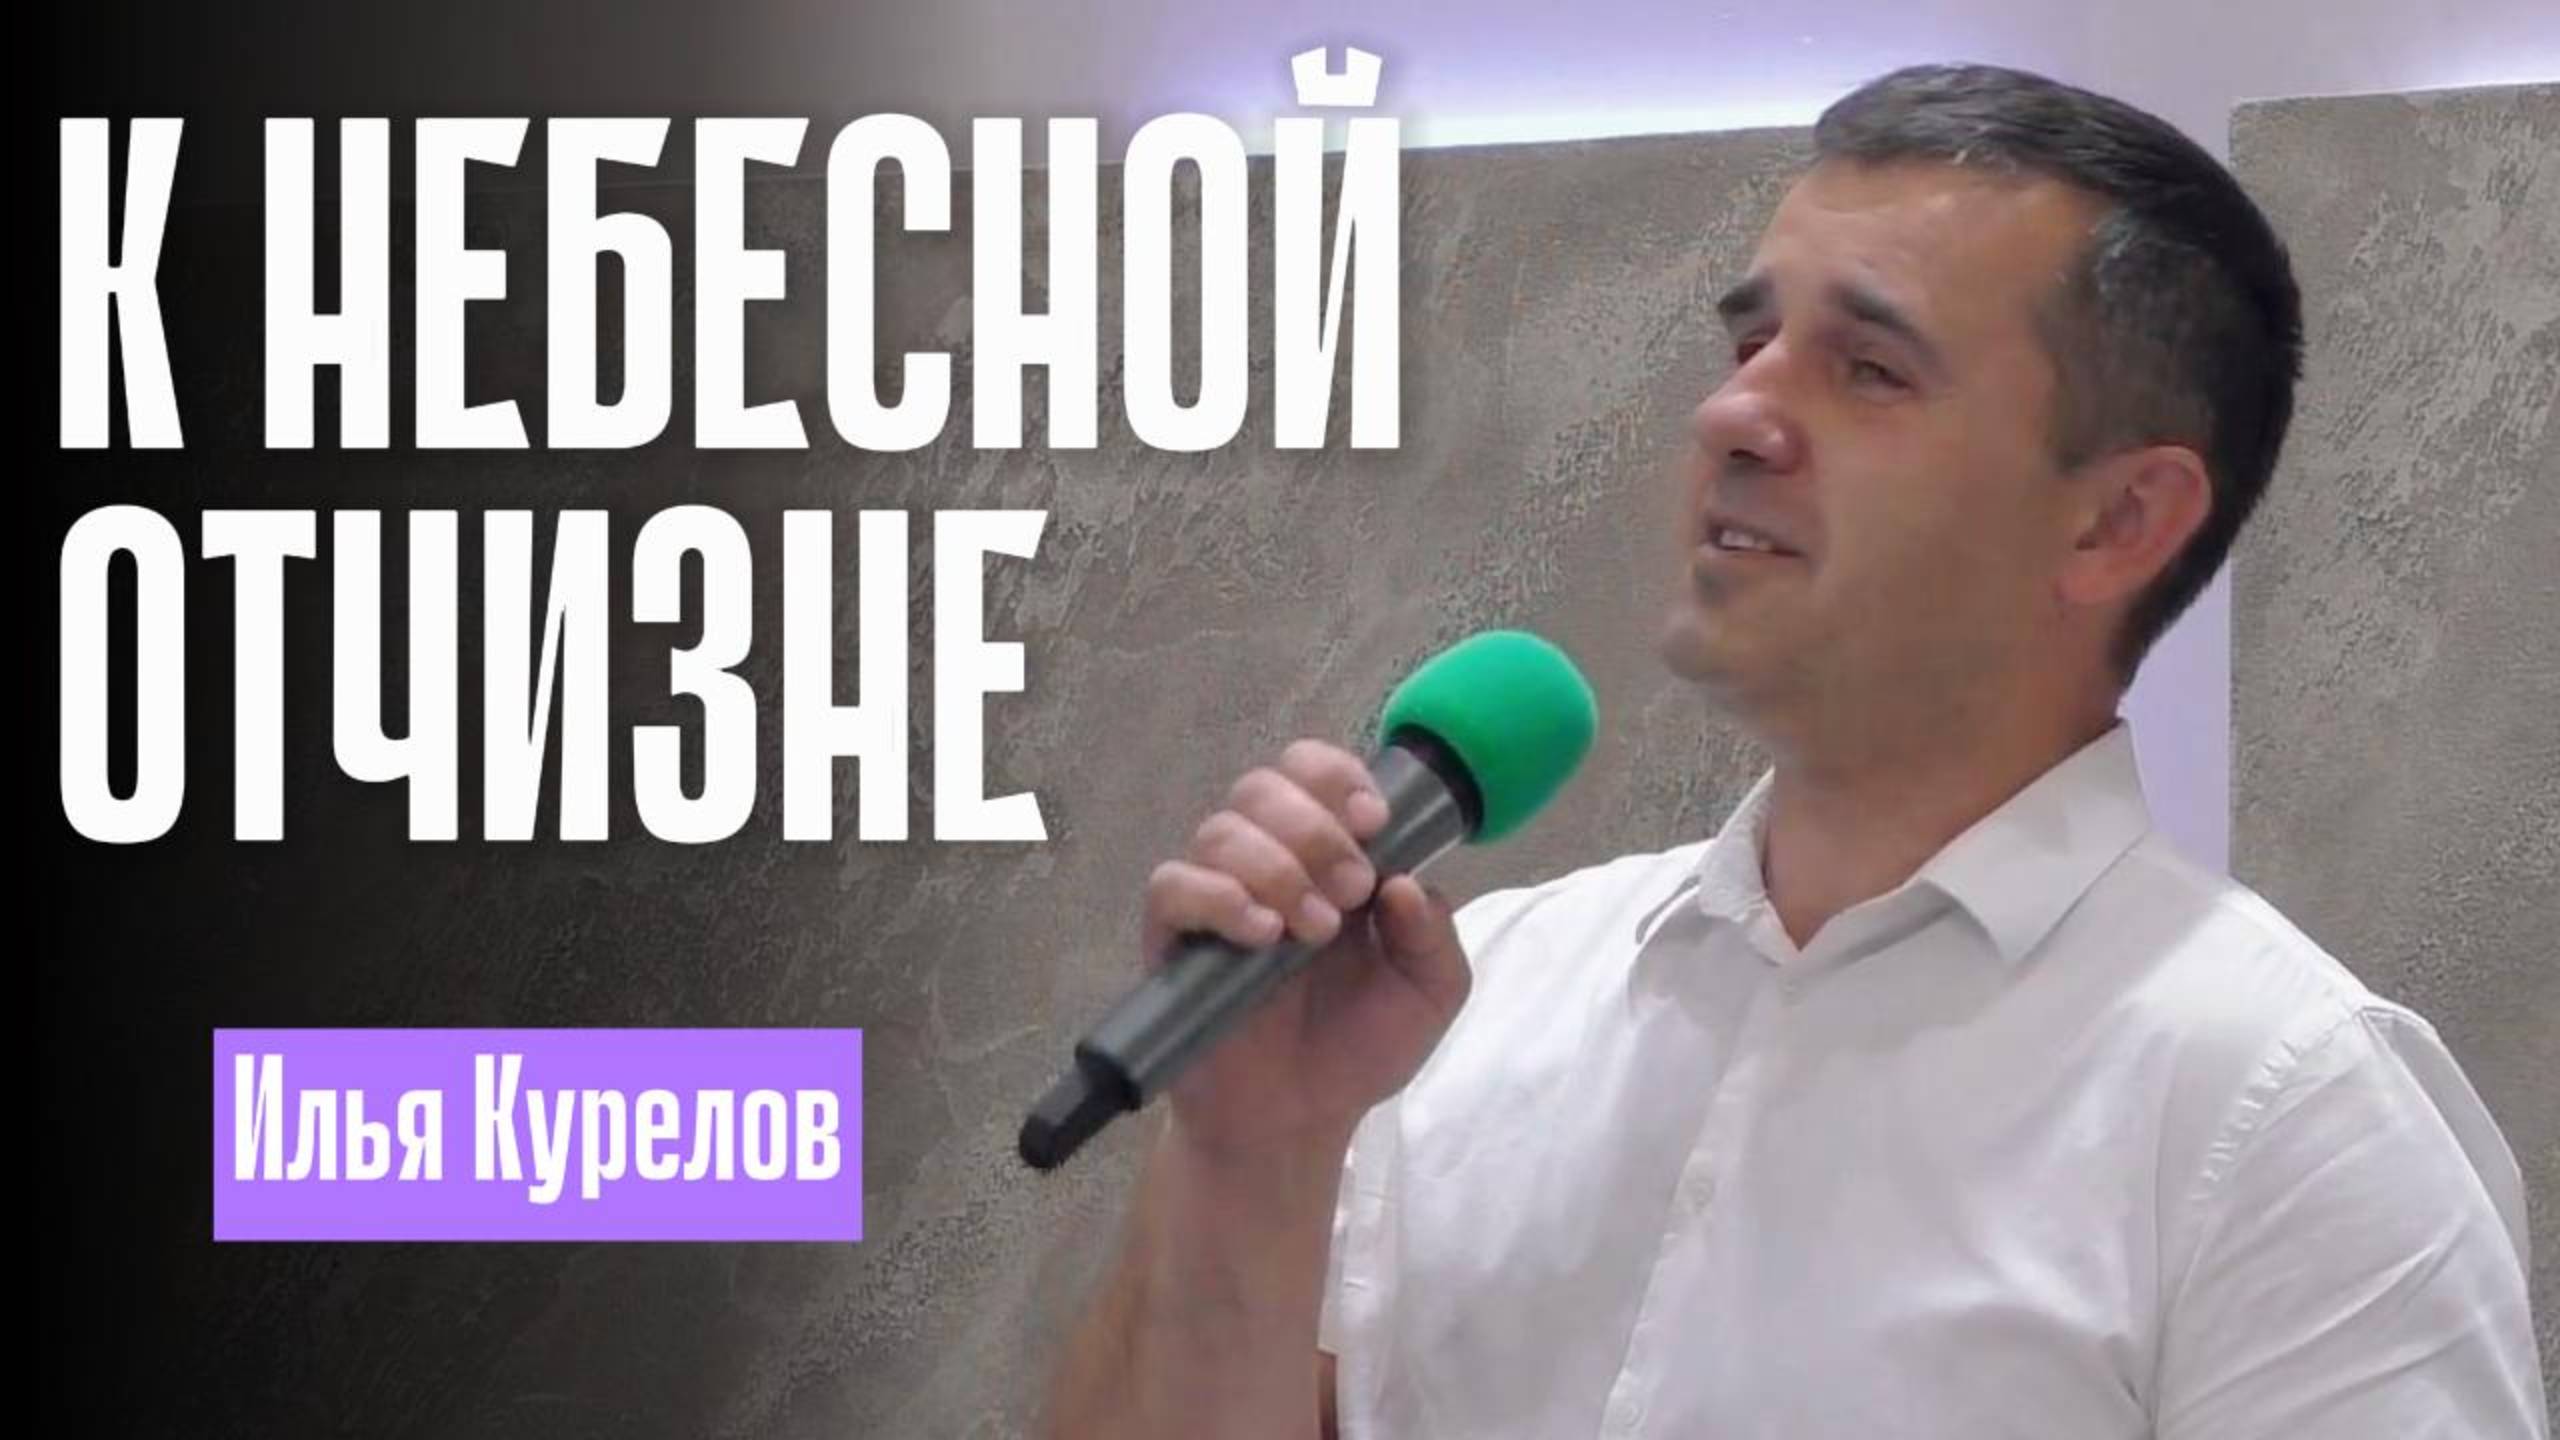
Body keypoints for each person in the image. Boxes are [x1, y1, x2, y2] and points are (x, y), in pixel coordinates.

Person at [1041, 62, 2547, 1439]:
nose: (1735, 411)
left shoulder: (2287, 1113)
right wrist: (1248, 1157)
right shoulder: (1463, 1002)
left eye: (1870, 368)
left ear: (2114, 520)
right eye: (1753, 340)